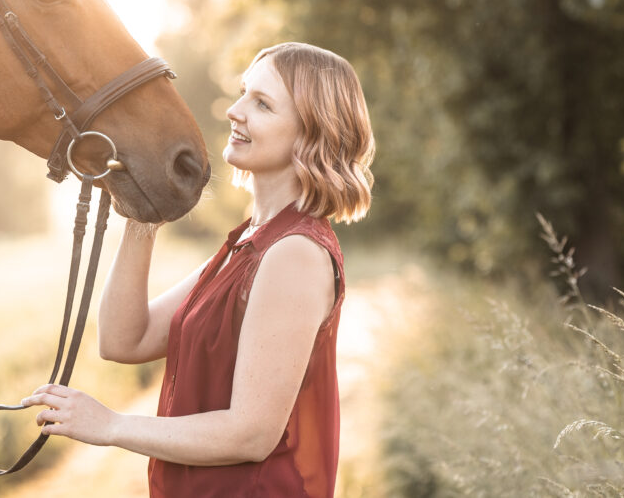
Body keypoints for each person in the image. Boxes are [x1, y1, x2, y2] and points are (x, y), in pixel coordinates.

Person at [22, 41, 375, 497]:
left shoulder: (295, 253)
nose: (234, 111)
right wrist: (140, 212)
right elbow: (123, 339)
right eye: (243, 92)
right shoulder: (250, 241)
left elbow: (250, 433)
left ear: (312, 134)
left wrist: (111, 425)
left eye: (262, 104)